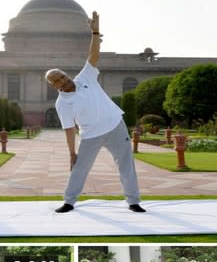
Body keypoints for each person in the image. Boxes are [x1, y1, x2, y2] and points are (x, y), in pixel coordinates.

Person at [45, 11, 145, 214]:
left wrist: (95, 32)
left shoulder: (85, 78)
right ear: (54, 86)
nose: (64, 80)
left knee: (126, 164)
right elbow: (69, 128)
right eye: (58, 80)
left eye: (63, 76)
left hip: (116, 126)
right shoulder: (62, 103)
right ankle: (69, 202)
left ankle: (133, 201)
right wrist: (72, 153)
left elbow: (94, 55)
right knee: (79, 168)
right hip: (91, 135)